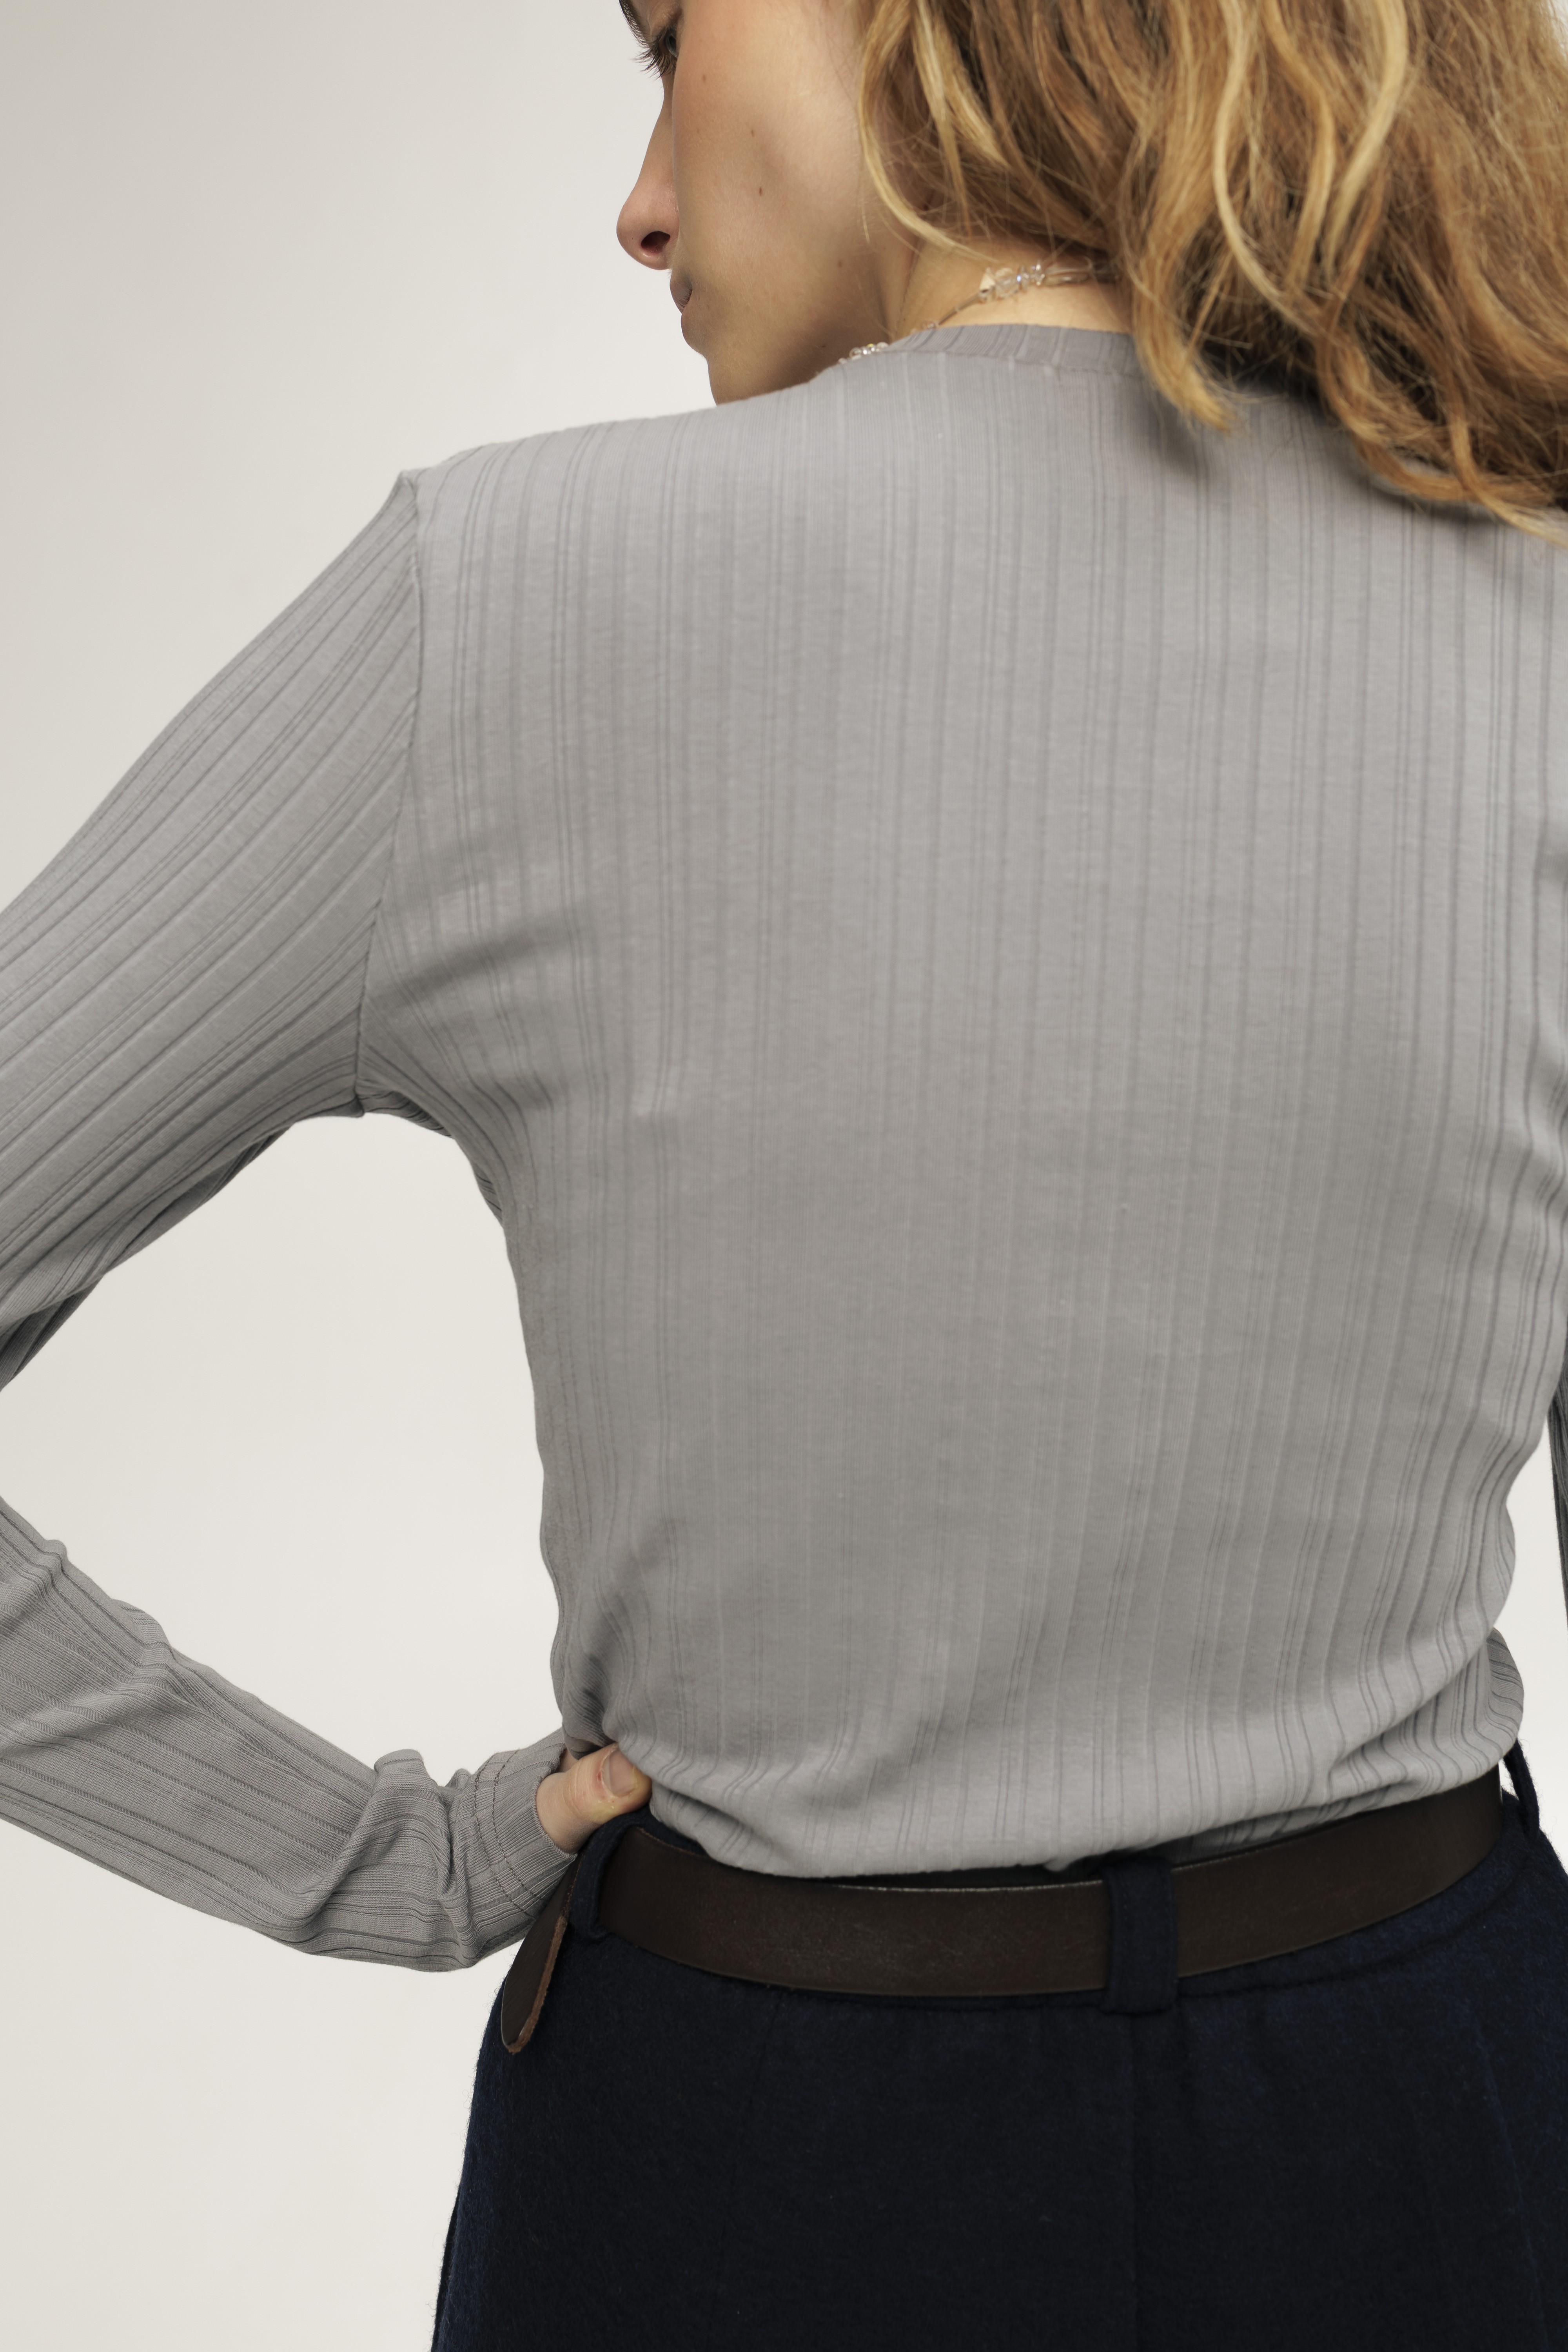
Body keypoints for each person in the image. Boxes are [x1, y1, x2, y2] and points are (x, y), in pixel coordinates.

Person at [3, 0, 1568, 2342]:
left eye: (672, 45)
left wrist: (381, 1862)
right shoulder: (1531, 602)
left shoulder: (497, 604)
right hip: (1440, 2118)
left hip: (741, 2156)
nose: (642, 203)